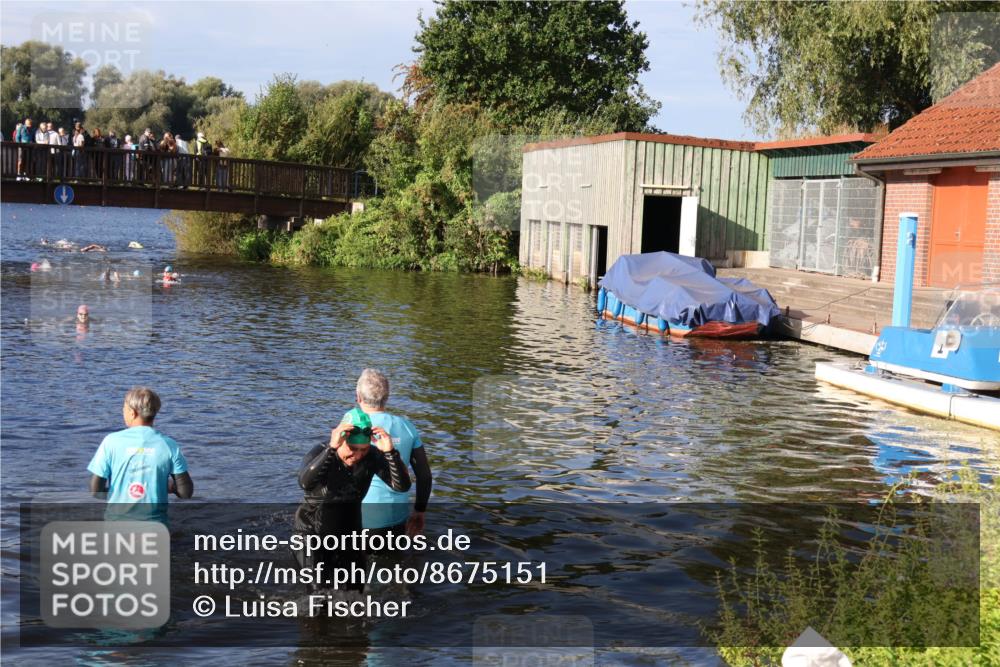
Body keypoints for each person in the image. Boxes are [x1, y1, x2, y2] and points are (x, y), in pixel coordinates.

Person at [293, 404, 410, 592]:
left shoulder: (371, 456)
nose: (357, 455)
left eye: (363, 449)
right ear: (341, 439)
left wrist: (390, 453)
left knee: (356, 592)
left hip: (349, 534)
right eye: (353, 448)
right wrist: (332, 449)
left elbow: (402, 486)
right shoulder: (321, 451)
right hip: (310, 533)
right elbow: (305, 483)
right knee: (318, 593)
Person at [87, 387, 193, 523]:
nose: (122, 412)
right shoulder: (168, 445)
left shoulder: (111, 442)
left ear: (132, 413)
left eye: (124, 408)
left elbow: (95, 490)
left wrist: (120, 492)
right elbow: (186, 492)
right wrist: (170, 487)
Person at [353, 369, 433, 537]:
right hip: (398, 520)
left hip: (359, 521)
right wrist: (419, 512)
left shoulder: (351, 428)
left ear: (358, 396)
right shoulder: (407, 426)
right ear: (387, 397)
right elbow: (424, 475)